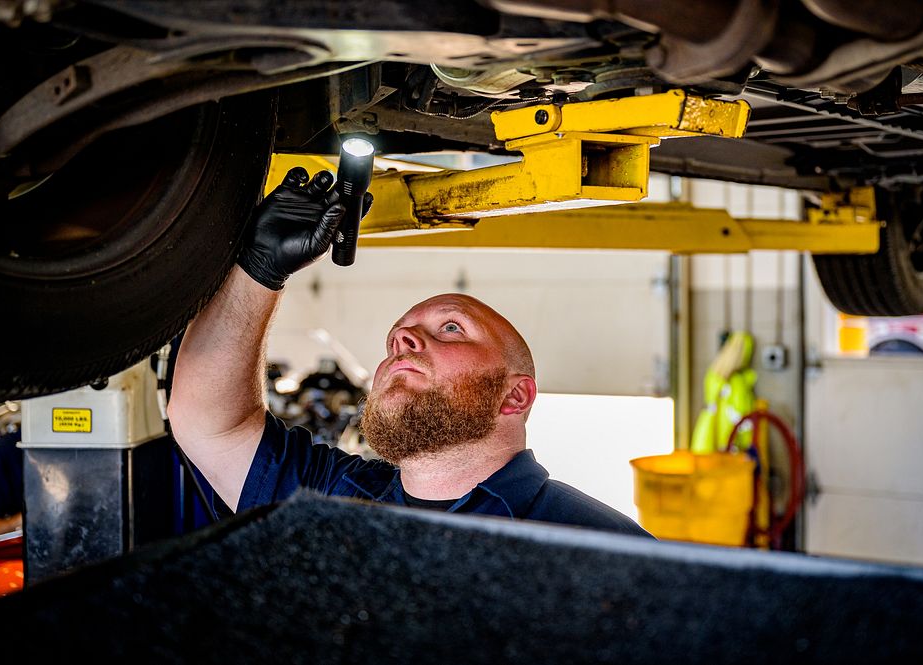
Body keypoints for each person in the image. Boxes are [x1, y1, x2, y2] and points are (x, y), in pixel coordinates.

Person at [167, 167, 651, 537]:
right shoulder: (336, 497)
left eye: (452, 329)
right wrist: (259, 268)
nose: (403, 341)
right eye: (397, 337)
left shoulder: (592, 542)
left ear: (515, 397)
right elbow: (208, 423)